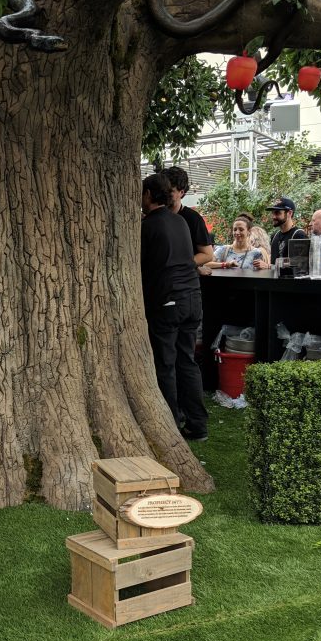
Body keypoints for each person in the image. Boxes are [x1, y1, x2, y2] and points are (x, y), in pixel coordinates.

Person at [141, 173, 208, 441]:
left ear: (148, 195)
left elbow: (144, 266)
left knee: (166, 364)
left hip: (168, 301)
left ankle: (170, 427)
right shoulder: (180, 221)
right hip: (192, 298)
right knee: (187, 361)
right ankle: (198, 424)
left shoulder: (148, 226)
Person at [165, 167, 213, 266]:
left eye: (170, 191)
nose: (165, 194)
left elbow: (207, 254)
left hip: (182, 278)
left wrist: (179, 266)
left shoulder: (193, 219)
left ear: (181, 192)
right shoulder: (155, 216)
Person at [262, 197, 306, 266]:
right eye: (272, 213)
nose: (273, 217)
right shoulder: (274, 236)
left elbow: (299, 264)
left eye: (277, 213)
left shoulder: (299, 235)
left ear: (289, 213)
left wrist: (268, 266)